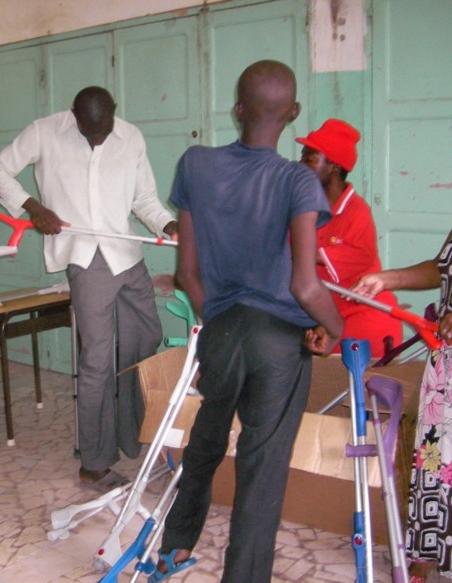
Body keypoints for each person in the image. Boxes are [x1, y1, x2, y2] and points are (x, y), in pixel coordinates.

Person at [149, 60, 343, 583]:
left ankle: (175, 549)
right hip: (278, 343)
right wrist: (337, 327)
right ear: (294, 113)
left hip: (220, 329)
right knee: (261, 469)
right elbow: (306, 286)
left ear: (238, 109)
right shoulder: (298, 180)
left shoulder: (194, 164)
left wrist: (218, 318)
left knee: (208, 438)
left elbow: (186, 273)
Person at [0, 87, 178, 491]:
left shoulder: (131, 138)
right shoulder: (44, 132)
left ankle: (130, 432)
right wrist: (33, 208)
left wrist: (168, 226)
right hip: (86, 261)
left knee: (147, 339)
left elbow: (145, 200)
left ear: (114, 116)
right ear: (74, 116)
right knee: (97, 361)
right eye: (89, 133)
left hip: (127, 254)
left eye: (103, 131)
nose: (97, 140)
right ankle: (95, 461)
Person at [351, 87, 452, 582]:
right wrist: (388, 278)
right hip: (450, 369)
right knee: (443, 461)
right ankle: (442, 555)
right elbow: (444, 266)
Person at [297, 118, 403, 357]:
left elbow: (302, 255)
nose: (300, 164)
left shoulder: (357, 214)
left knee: (362, 390)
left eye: (309, 158)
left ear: (333, 166)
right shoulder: (304, 207)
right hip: (326, 317)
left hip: (363, 317)